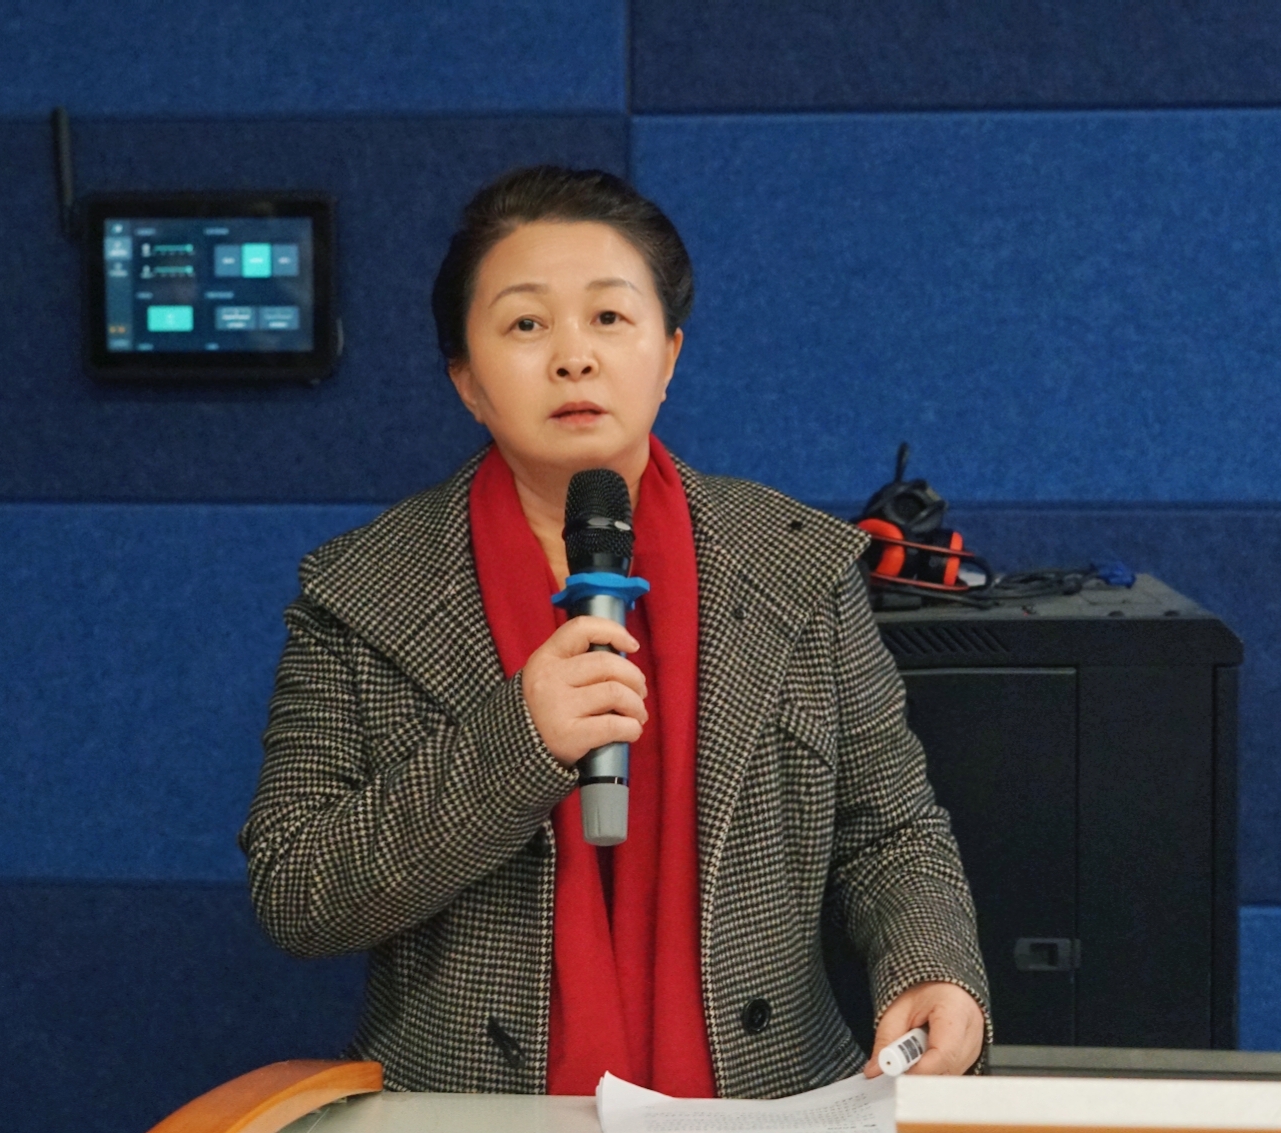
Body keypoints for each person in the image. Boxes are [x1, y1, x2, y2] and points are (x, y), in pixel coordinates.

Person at [239, 165, 989, 1099]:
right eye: (525, 324)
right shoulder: (362, 591)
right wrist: (516, 741)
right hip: (475, 1112)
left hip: (766, 1105)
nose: (572, 357)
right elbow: (296, 890)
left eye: (608, 317)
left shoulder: (797, 563)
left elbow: (892, 828)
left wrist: (934, 966)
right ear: (466, 380)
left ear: (668, 355)